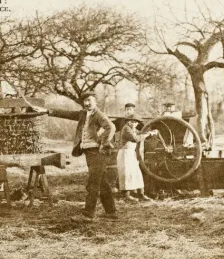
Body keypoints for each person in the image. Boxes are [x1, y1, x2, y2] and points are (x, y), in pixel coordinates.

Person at [32, 90, 117, 222]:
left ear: (95, 101)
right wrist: (46, 111)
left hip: (97, 153)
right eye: (85, 101)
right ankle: (111, 212)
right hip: (89, 152)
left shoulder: (99, 114)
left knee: (93, 184)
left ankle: (87, 215)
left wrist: (104, 143)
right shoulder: (83, 113)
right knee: (102, 183)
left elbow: (111, 127)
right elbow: (67, 114)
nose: (87, 103)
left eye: (89, 100)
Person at [117, 113, 156, 202]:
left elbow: (141, 133)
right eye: (132, 122)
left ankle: (141, 194)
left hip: (131, 153)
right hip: (125, 153)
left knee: (136, 173)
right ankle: (126, 195)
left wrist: (151, 133)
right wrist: (148, 134)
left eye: (136, 122)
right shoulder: (126, 129)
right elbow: (135, 139)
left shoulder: (133, 129)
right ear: (128, 122)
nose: (134, 123)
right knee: (127, 174)